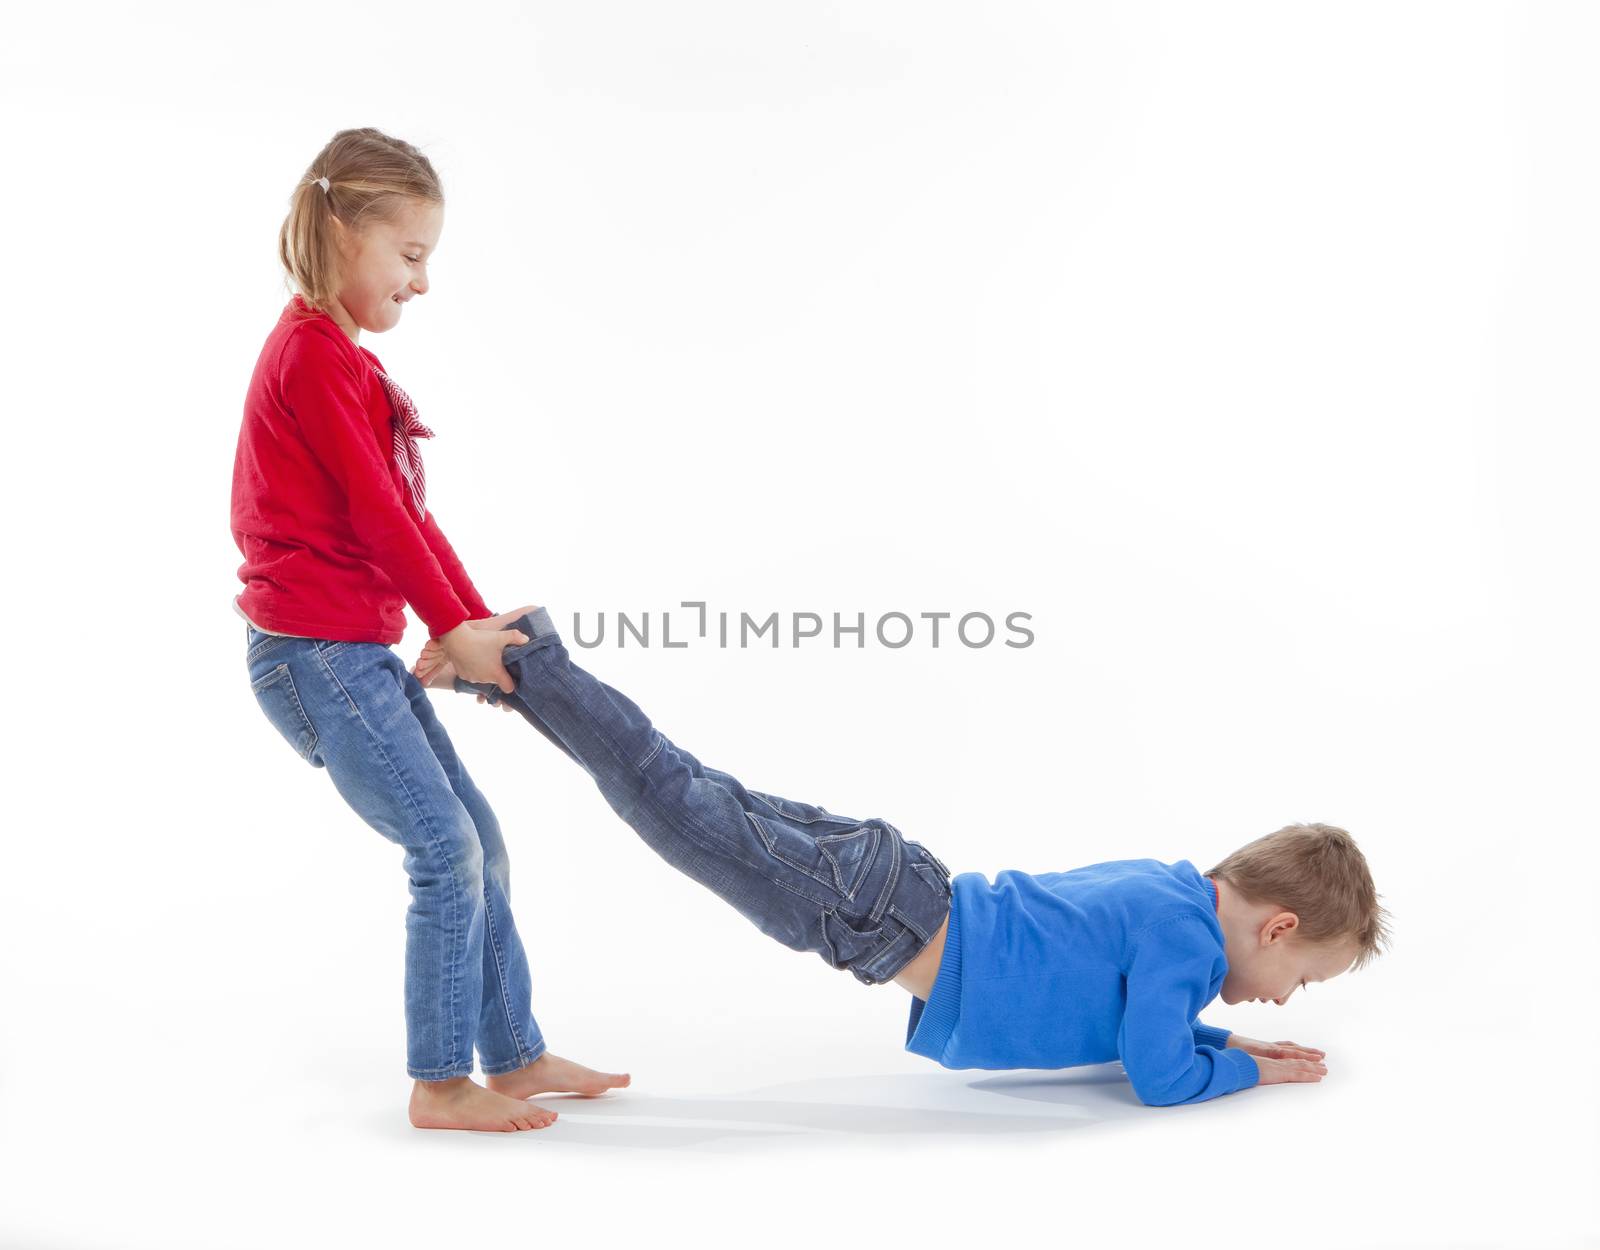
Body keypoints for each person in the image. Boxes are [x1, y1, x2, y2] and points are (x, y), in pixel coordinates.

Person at [416, 606, 1393, 1108]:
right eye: (1299, 975)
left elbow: (1158, 1029)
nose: (1281, 997)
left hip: (890, 879)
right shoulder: (1185, 945)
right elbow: (1157, 1072)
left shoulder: (1170, 895)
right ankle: (524, 657)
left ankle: (511, 677)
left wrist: (1223, 1039)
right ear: (1276, 925)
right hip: (876, 908)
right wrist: (1244, 1072)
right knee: (669, 799)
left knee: (677, 785)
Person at [231, 128, 627, 1133]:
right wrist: (455, 626)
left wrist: (472, 623)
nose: (421, 281)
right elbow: (374, 518)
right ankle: (438, 1078)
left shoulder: (347, 367)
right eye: (409, 255)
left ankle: (515, 1052)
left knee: (479, 836)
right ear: (339, 231)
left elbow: (411, 521)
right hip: (316, 657)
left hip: (351, 651)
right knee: (444, 847)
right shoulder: (311, 356)